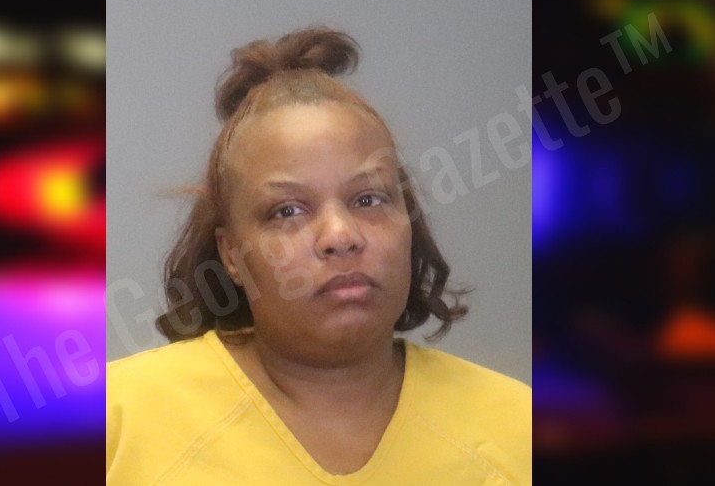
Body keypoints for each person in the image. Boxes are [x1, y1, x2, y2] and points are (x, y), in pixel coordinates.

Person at [106, 27, 531, 485]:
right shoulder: (116, 419)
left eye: (368, 199)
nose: (340, 236)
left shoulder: (518, 428)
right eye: (287, 211)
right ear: (230, 255)